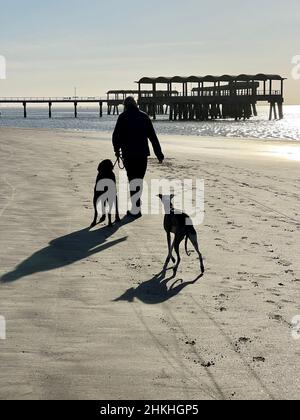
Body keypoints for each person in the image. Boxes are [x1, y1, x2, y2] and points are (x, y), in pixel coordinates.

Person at [113, 96, 164, 218]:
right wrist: (159, 154)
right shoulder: (144, 116)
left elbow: (116, 136)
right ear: (135, 104)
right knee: (139, 180)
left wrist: (116, 150)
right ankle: (136, 205)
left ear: (125, 105)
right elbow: (153, 137)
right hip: (142, 154)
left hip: (129, 154)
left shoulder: (123, 117)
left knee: (132, 180)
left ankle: (136, 207)